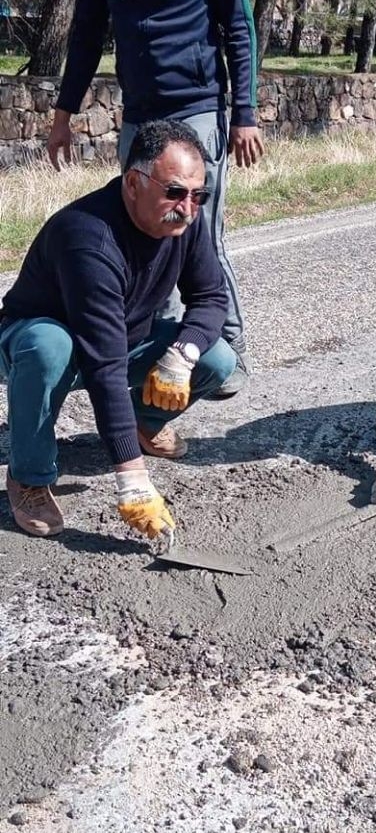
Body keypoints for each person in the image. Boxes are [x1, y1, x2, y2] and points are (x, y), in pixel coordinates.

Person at [47, 0, 263, 387]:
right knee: (144, 234)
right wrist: (64, 114)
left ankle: (224, 350)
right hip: (140, 116)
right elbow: (87, 32)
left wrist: (244, 114)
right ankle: (159, 355)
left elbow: (239, 27)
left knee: (194, 230)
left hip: (199, 107)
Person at [0, 119, 237, 538]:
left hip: (122, 336)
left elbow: (212, 297)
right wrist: (132, 480)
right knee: (49, 346)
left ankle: (145, 421)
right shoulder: (88, 238)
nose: (187, 206)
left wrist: (181, 356)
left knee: (216, 357)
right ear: (133, 182)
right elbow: (104, 368)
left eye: (199, 195)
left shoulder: (187, 220)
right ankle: (29, 476)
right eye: (175, 192)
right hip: (37, 338)